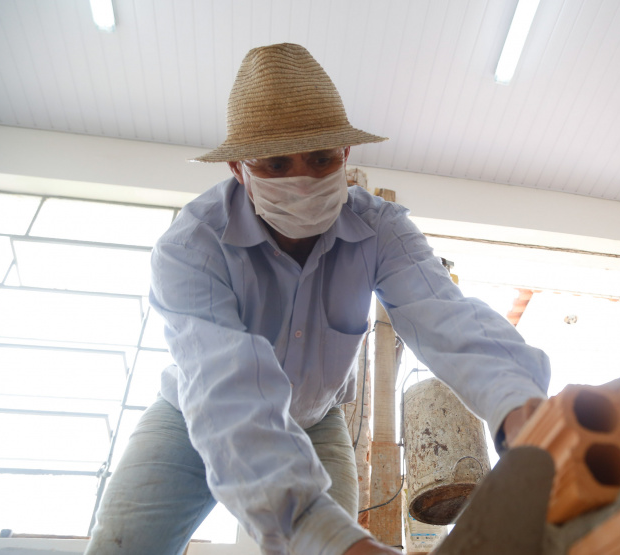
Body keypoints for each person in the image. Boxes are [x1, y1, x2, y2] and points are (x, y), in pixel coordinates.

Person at [85, 43, 550, 555]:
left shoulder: (381, 231)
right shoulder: (191, 248)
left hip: (316, 420)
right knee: (121, 546)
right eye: (276, 163)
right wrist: (331, 540)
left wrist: (525, 414)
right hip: (192, 417)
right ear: (238, 168)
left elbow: (448, 318)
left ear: (346, 154)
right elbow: (227, 392)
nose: (302, 180)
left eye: (321, 158)